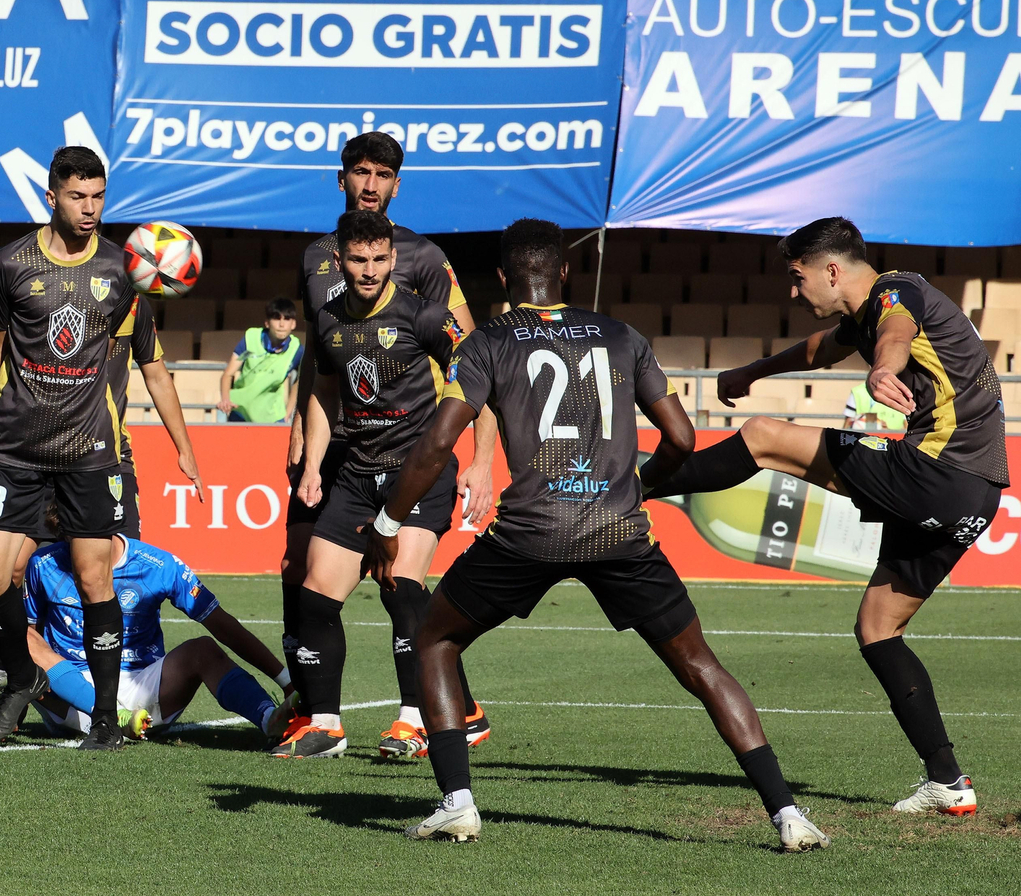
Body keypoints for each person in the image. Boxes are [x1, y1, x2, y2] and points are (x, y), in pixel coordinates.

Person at [366, 218, 830, 852]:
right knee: (701, 665)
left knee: (434, 638)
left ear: (503, 278)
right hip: (618, 530)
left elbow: (437, 442)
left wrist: (388, 521)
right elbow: (683, 438)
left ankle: (457, 805)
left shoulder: (487, 342)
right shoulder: (621, 336)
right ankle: (787, 813)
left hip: (529, 532)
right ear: (564, 272)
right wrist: (643, 484)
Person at [647, 217, 1008, 816]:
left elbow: (896, 332)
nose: (793, 291)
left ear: (832, 270)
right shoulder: (868, 312)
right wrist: (752, 371)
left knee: (764, 436)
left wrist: (883, 369)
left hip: (939, 473)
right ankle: (948, 781)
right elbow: (820, 349)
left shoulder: (896, 293)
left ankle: (628, 489)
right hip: (976, 495)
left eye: (798, 277)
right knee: (878, 628)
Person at [282, 132, 494, 716]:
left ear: (397, 186)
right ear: (341, 178)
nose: (370, 184)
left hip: (408, 446)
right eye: (361, 172)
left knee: (397, 582)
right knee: (300, 567)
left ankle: (435, 710)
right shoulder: (314, 257)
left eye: (382, 175)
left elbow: (471, 353)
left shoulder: (422, 258)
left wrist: (481, 458)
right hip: (338, 443)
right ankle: (311, 709)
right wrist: (301, 431)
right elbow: (320, 353)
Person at [0, 146, 163, 751]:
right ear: (51, 197)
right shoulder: (7, 263)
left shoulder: (123, 269)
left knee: (92, 577)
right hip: (18, 449)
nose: (90, 207)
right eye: (78, 196)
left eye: (98, 196)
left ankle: (105, 718)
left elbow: (136, 359)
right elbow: (3, 364)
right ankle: (22, 674)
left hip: (88, 451)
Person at [0, 289, 201, 707]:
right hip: (34, 457)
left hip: (104, 459)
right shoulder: (45, 297)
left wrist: (184, 448)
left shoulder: (130, 303)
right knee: (10, 568)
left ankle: (121, 688)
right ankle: (9, 669)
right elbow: (6, 373)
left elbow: (157, 374)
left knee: (111, 574)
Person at [22, 519, 295, 743]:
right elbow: (26, 650)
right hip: (72, 698)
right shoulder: (43, 564)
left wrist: (285, 681)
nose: (77, 549)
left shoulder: (158, 565)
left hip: (144, 691)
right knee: (21, 636)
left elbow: (222, 625)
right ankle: (113, 716)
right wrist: (14, 707)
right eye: (69, 538)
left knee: (203, 649)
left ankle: (267, 718)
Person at [218, 298, 302, 423]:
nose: (281, 324)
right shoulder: (251, 338)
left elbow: (301, 380)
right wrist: (225, 399)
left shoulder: (297, 349)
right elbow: (228, 374)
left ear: (293, 324)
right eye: (276, 318)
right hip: (241, 412)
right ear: (267, 323)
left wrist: (289, 411)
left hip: (273, 418)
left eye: (287, 319)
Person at [843, 380, 907, 431]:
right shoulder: (858, 391)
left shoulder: (902, 391)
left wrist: (889, 432)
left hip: (896, 441)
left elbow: (907, 426)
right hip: (865, 440)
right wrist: (876, 426)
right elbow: (847, 425)